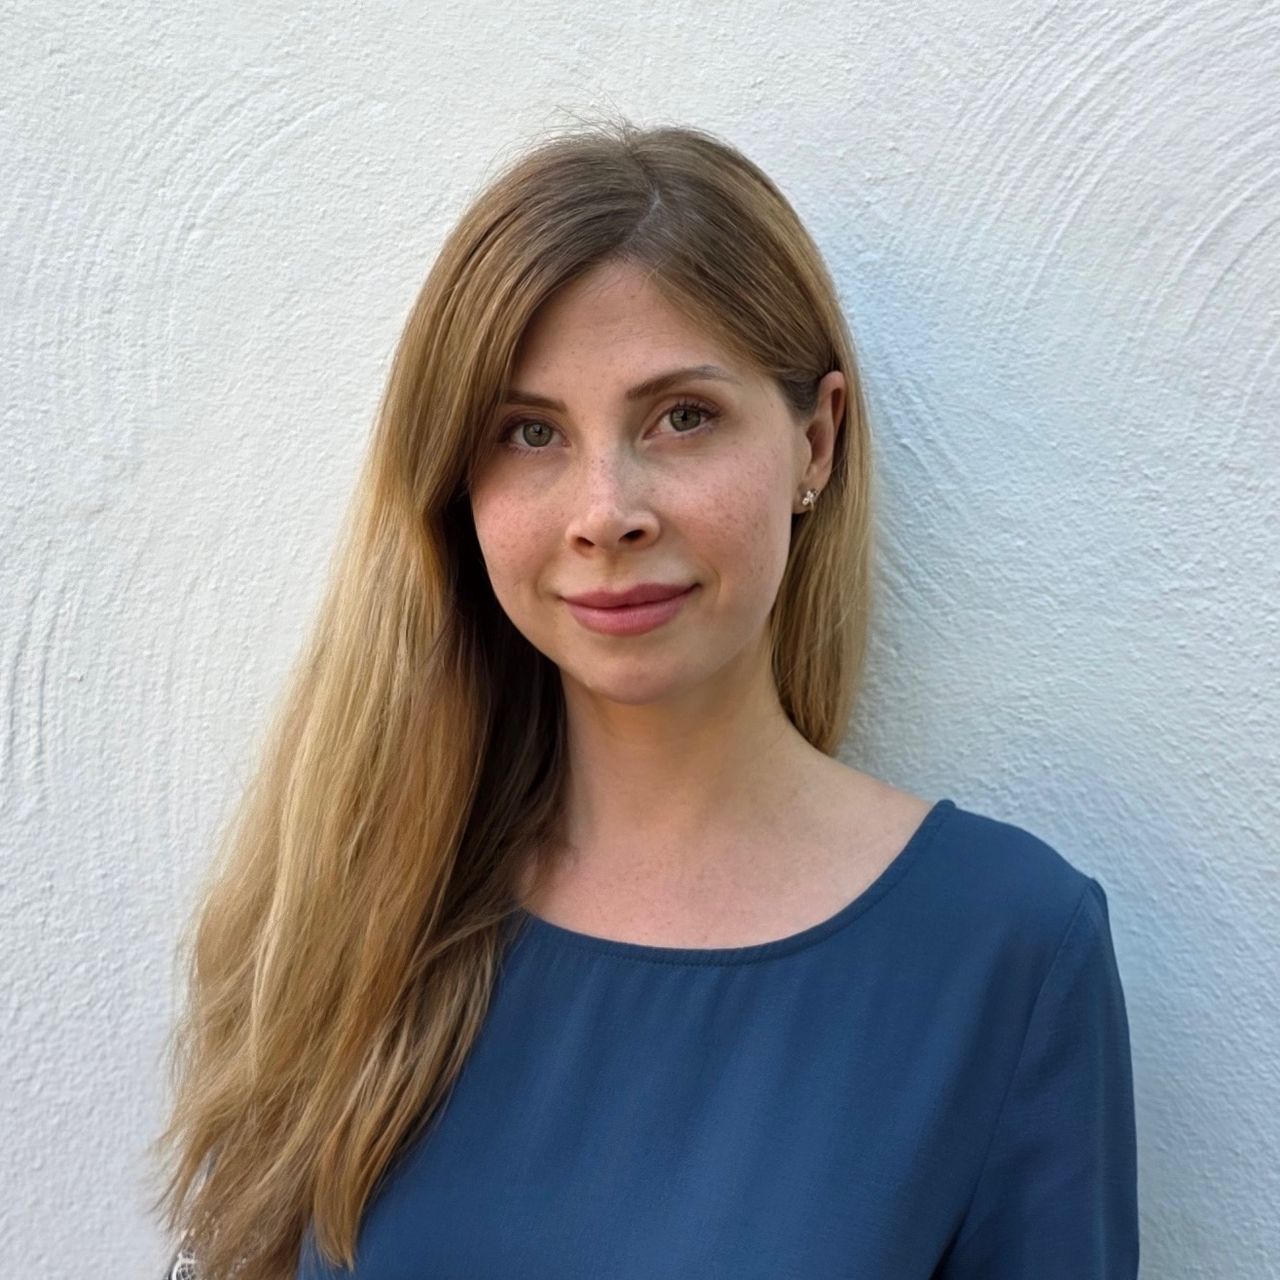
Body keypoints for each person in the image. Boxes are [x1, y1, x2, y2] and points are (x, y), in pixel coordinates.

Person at [151, 115, 1139, 1279]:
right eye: (529, 432)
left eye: (680, 417)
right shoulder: (350, 908)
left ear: (815, 440)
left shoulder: (1005, 952)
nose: (604, 511)